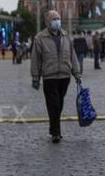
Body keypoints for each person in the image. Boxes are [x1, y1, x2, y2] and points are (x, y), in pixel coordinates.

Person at [31, 10, 82, 143]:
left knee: (59, 105)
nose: (57, 21)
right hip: (49, 77)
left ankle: (53, 128)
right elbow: (35, 60)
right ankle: (56, 132)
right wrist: (35, 77)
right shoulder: (40, 38)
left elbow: (73, 56)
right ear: (47, 22)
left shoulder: (66, 36)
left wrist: (77, 74)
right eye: (54, 19)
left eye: (58, 18)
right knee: (53, 104)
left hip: (65, 76)